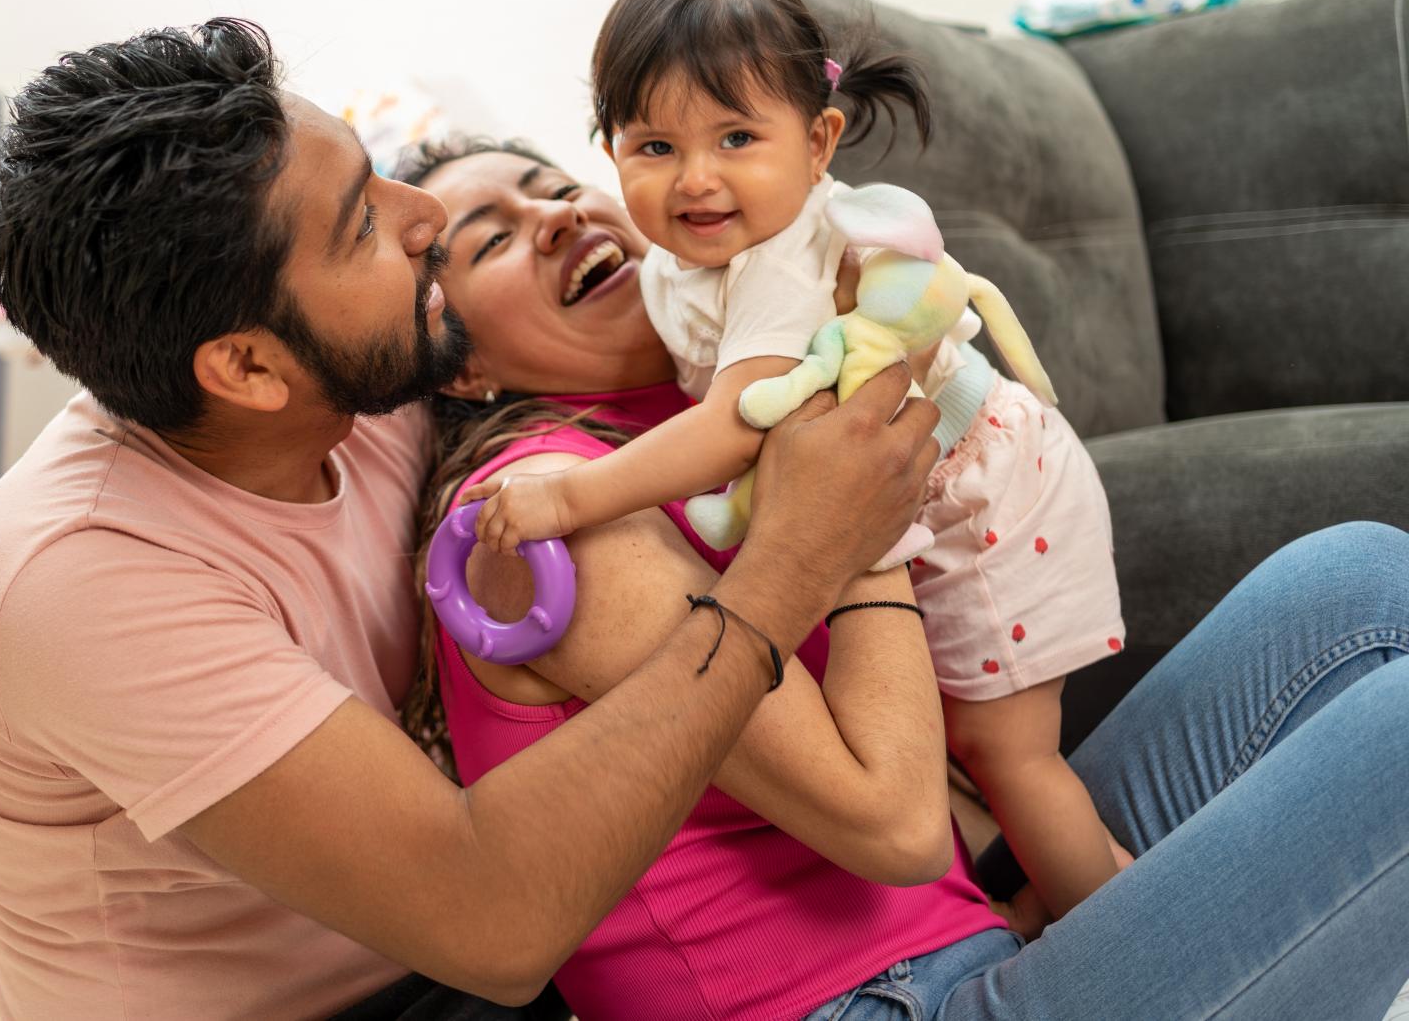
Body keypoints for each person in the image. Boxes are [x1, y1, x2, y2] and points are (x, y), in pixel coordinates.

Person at [0, 17, 944, 1019]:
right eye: (362, 223)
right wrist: (809, 553)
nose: (420, 212)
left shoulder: (355, 382)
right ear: (246, 367)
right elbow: (489, 922)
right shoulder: (79, 574)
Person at [401, 132, 1409, 1019]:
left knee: (1358, 583)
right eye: (490, 235)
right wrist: (845, 523)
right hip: (873, 1005)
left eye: (550, 182)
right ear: (458, 367)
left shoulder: (705, 407)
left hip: (969, 937)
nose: (554, 215)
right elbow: (892, 825)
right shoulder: (543, 513)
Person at [457, 0, 1127, 920]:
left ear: (819, 145)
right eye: (654, 147)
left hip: (987, 496)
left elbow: (736, 424)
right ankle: (1102, 906)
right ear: (611, 150)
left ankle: (1127, 954)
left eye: (736, 136)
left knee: (1008, 757)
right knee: (975, 756)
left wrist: (568, 500)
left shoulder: (780, 258)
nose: (696, 178)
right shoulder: (676, 267)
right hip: (921, 504)